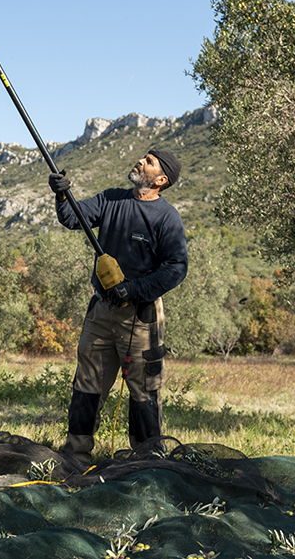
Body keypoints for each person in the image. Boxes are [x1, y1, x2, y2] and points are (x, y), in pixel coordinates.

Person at [48, 148, 188, 464]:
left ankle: (147, 460)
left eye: (149, 162)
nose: (141, 161)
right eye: (143, 157)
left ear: (161, 179)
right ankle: (77, 454)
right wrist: (61, 195)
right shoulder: (112, 199)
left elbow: (176, 267)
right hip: (101, 309)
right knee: (87, 383)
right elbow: (72, 218)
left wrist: (133, 289)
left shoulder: (167, 217)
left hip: (141, 315)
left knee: (143, 391)